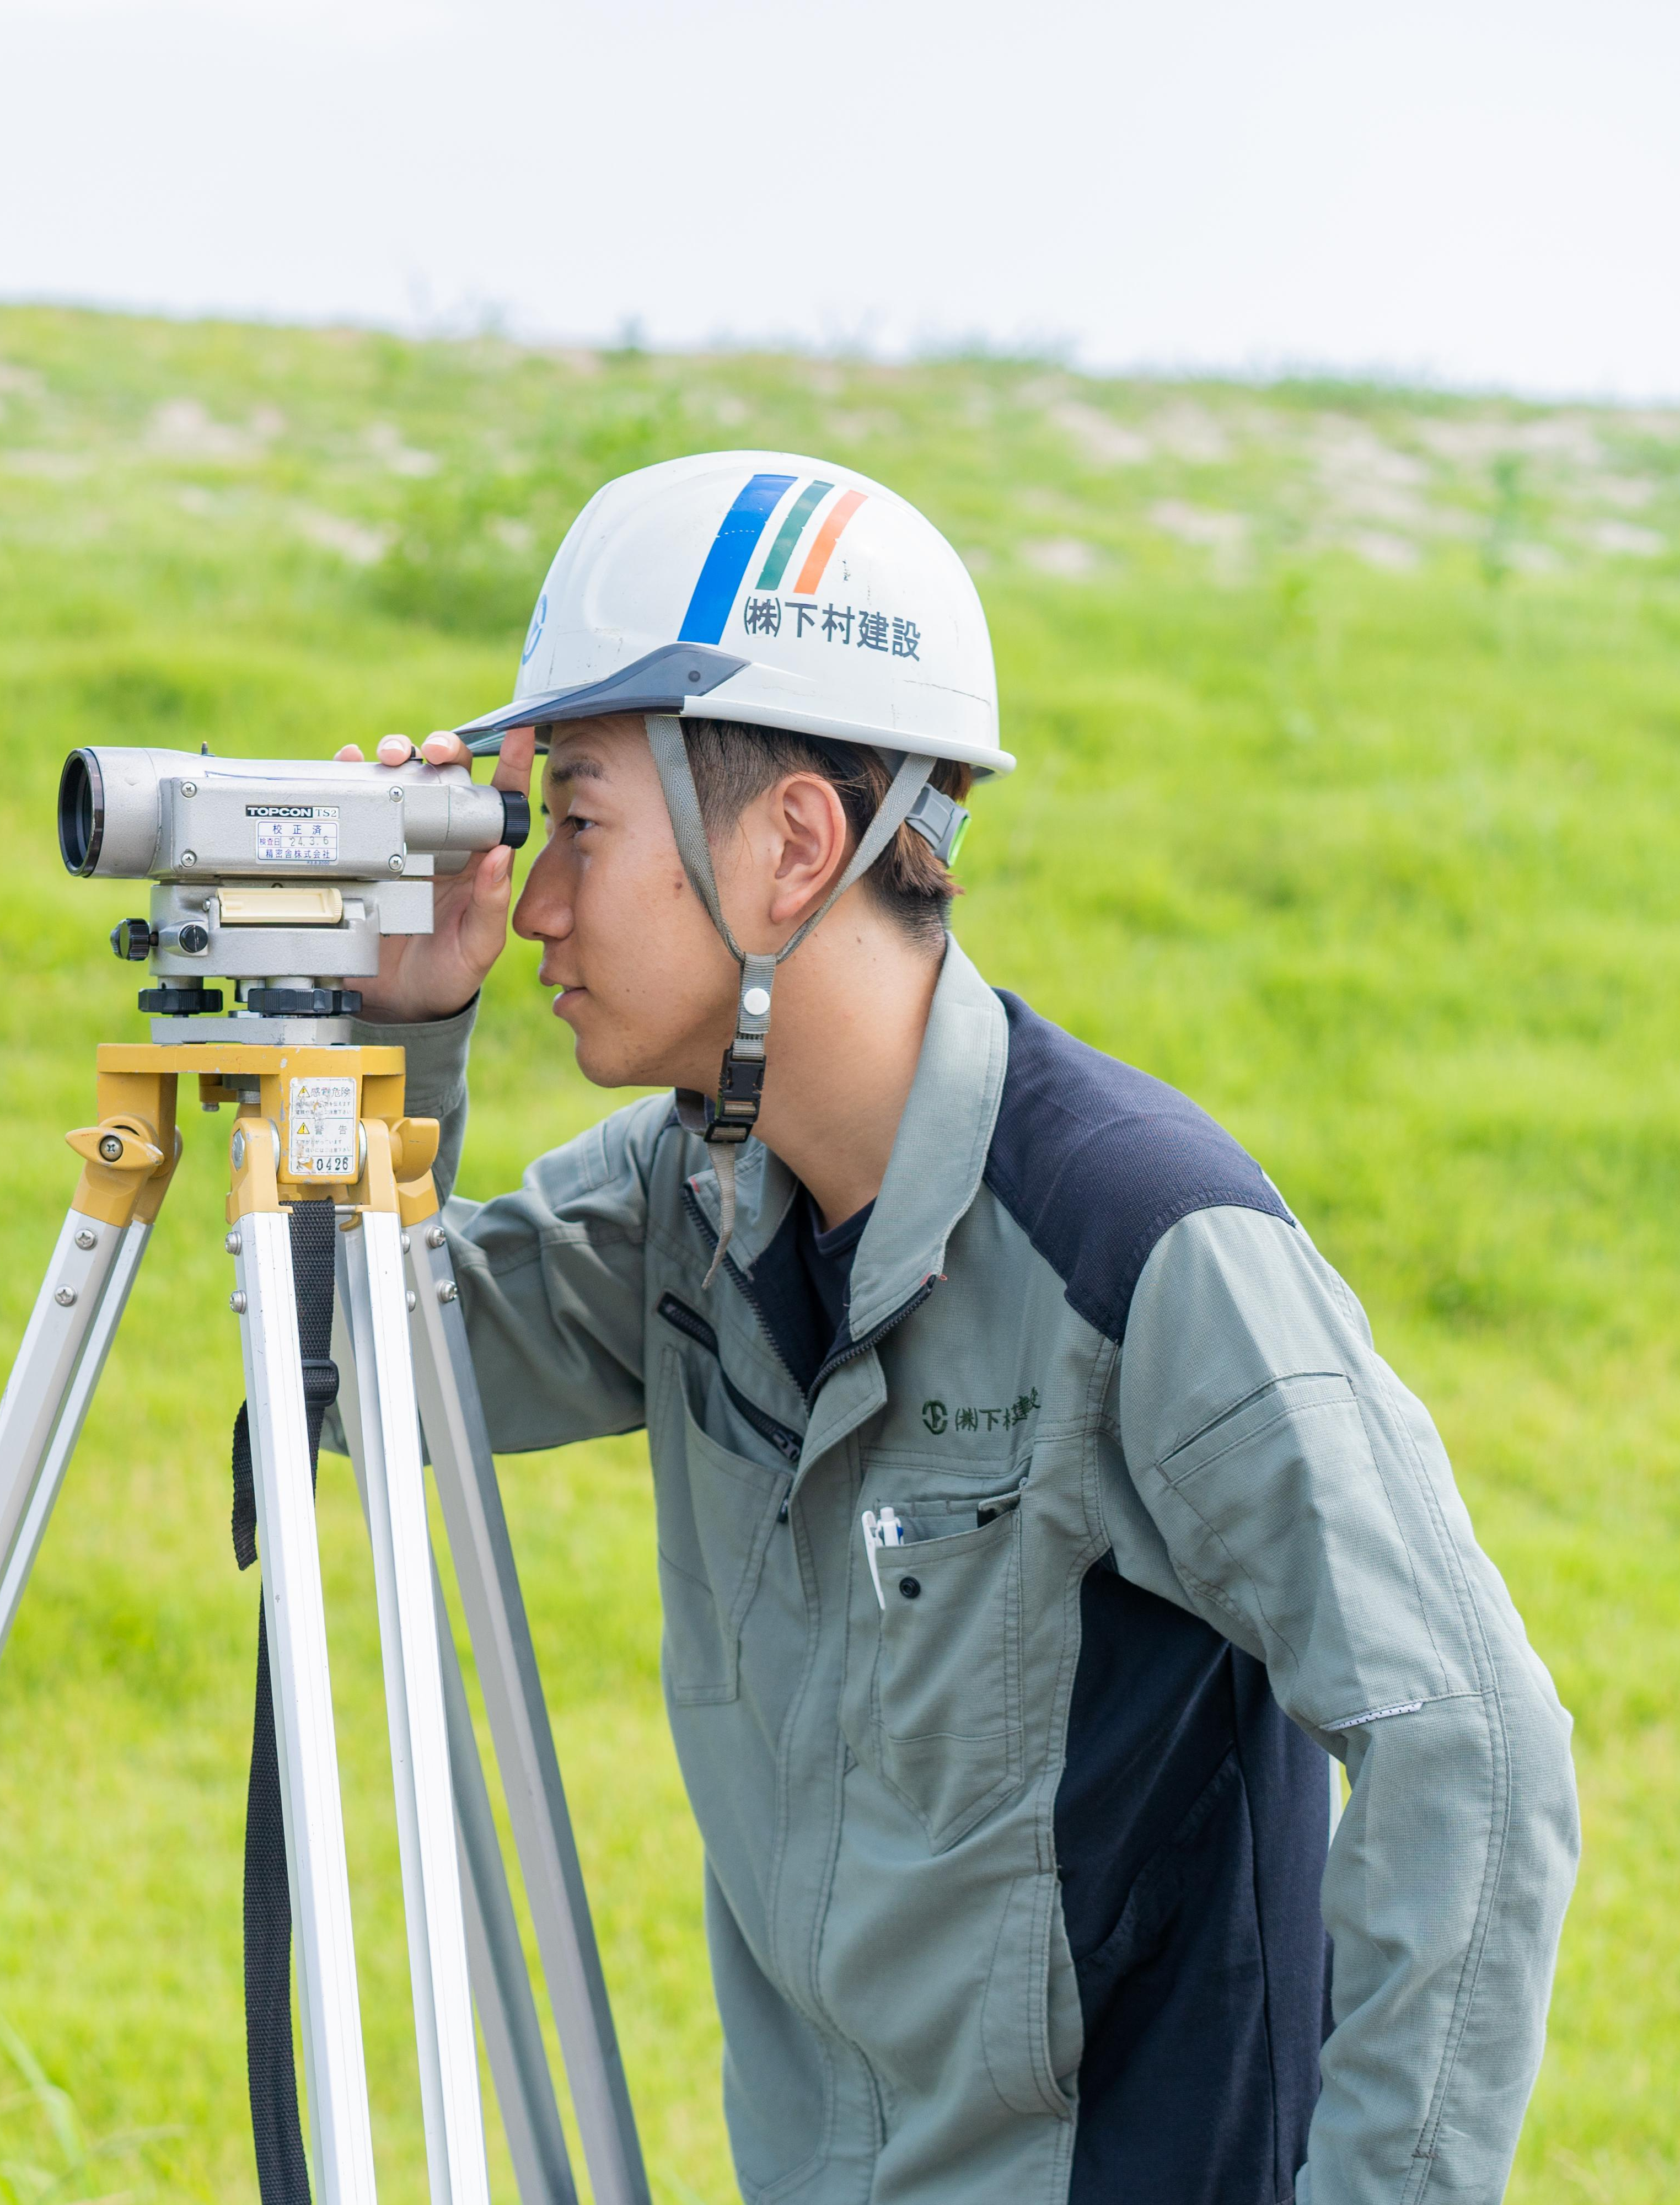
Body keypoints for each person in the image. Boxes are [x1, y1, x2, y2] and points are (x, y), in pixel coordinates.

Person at [337, 453, 1577, 2205]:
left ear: (789, 848)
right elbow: (364, 1380)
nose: (532, 904)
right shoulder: (689, 1195)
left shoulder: (1141, 1244)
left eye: (581, 826)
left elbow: (1476, 1744)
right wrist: (401, 1035)